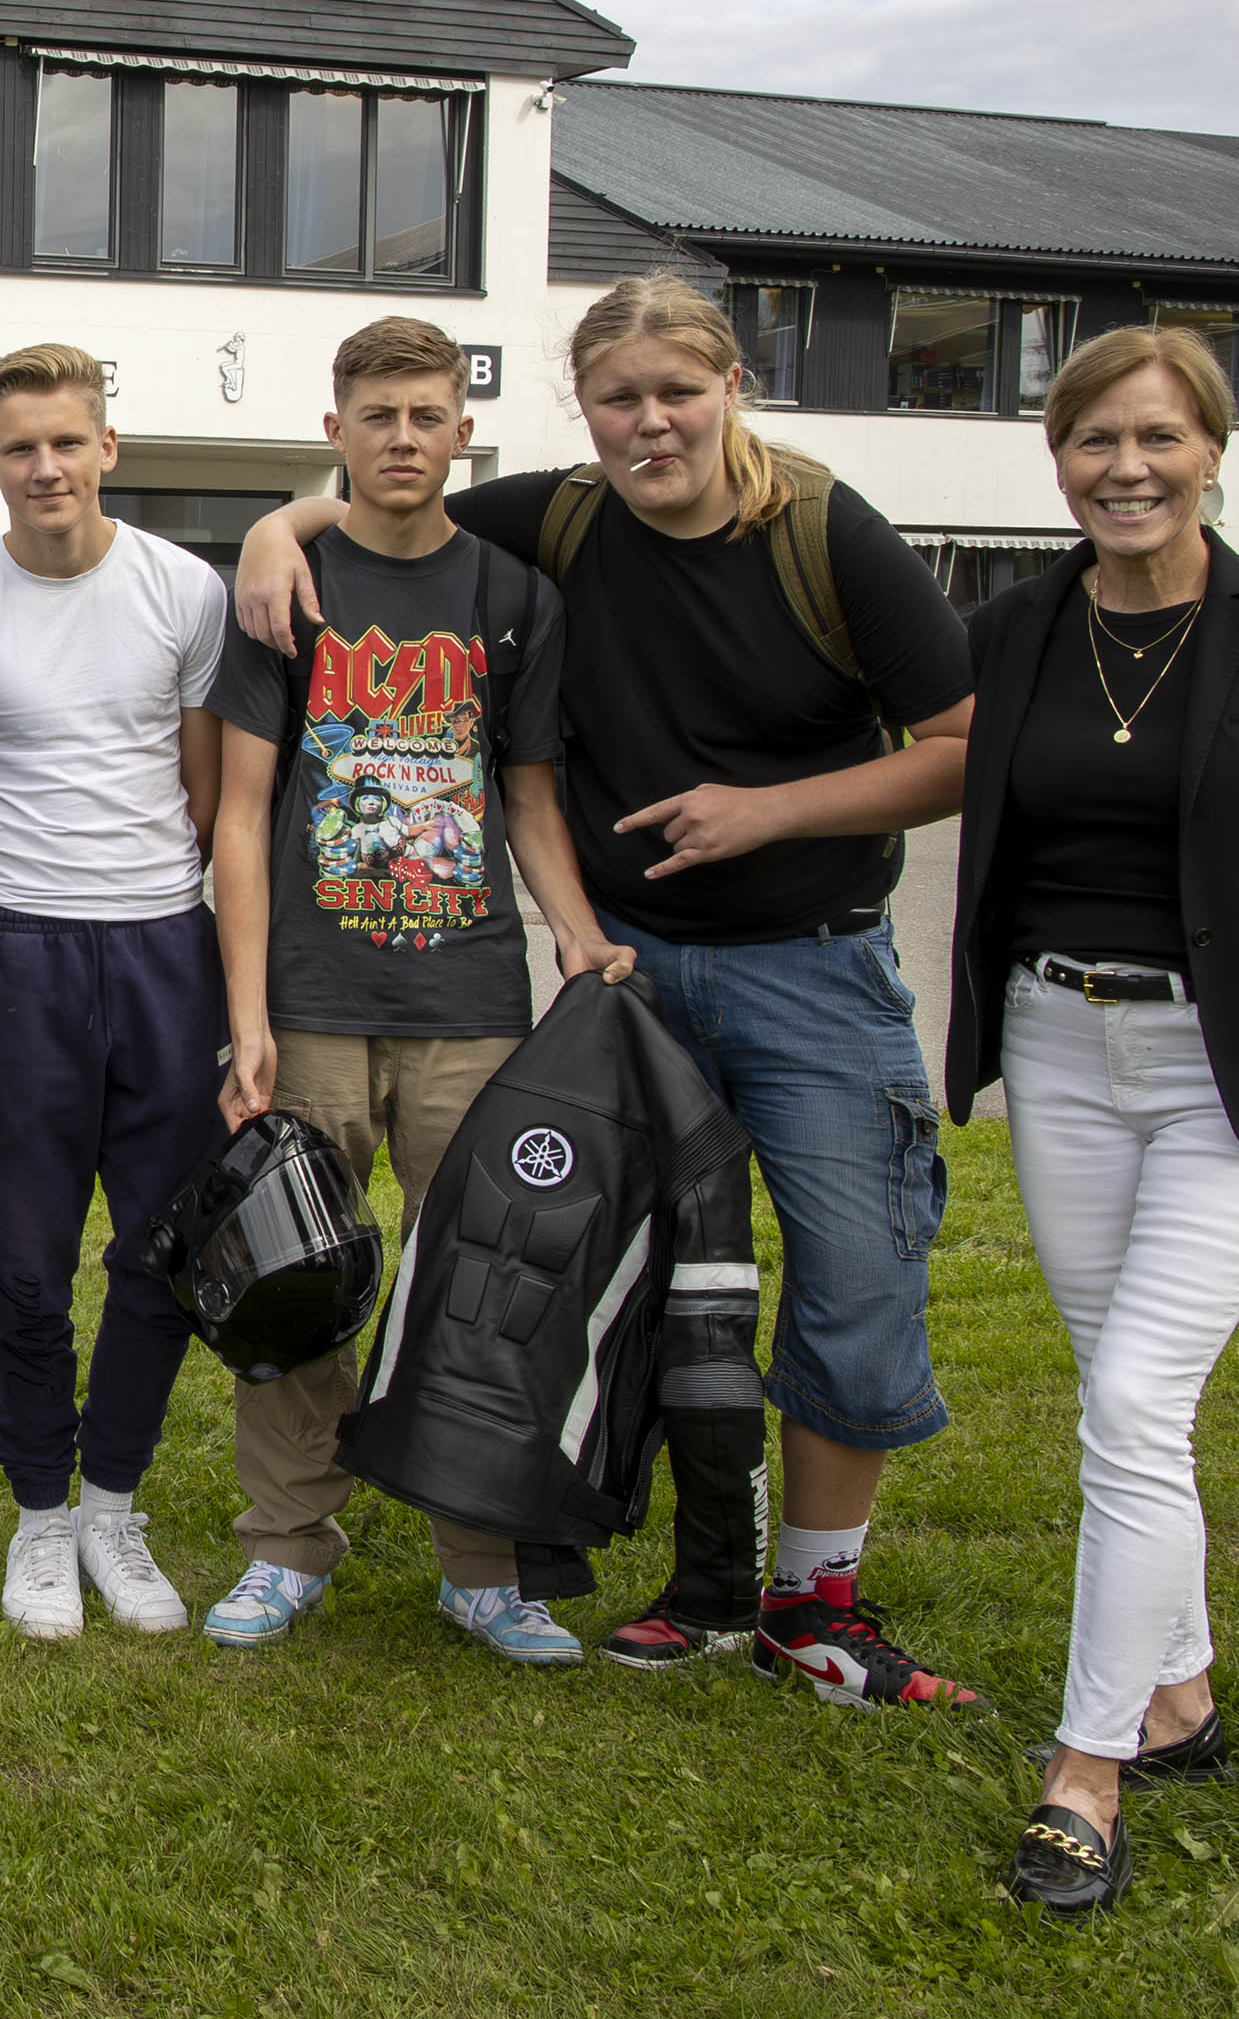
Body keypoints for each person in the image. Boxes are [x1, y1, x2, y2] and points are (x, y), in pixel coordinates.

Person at [238, 273, 982, 1700]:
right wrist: (278, 526)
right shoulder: (561, 515)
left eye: (677, 392)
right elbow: (389, 503)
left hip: (809, 965)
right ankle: (700, 1579)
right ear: (579, 409)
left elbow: (961, 742)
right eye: (618, 398)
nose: (651, 423)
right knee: (626, 1281)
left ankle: (814, 1596)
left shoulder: (826, 532)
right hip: (626, 971)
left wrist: (770, 811)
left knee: (849, 1277)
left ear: (732, 387)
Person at [946, 325, 1239, 1915]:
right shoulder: (1017, 628)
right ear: (1058, 459)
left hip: (1232, 1065)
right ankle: (1182, 1695)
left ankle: (1086, 1772)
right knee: (1127, 1398)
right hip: (1058, 1045)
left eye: (1157, 436)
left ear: (1214, 449)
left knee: (1137, 1396)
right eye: (1095, 439)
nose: (1127, 467)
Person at [210, 315, 633, 1660]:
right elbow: (239, 815)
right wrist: (246, 1016)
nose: (402, 437)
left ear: (462, 431)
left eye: (425, 414)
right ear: (334, 430)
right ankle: (286, 1544)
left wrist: (577, 936)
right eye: (377, 414)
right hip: (313, 997)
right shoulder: (286, 588)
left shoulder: (514, 596)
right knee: (295, 1278)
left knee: (488, 1282)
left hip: (471, 1003)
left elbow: (530, 796)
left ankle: (482, 1563)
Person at [0, 342, 224, 1643]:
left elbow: (204, 789)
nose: (45, 466)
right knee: (27, 1262)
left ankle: (113, 1504)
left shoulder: (184, 589)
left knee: (163, 1248)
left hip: (161, 948)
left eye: (66, 441)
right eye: (19, 447)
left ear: (108, 447)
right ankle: (40, 1511)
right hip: (11, 956)